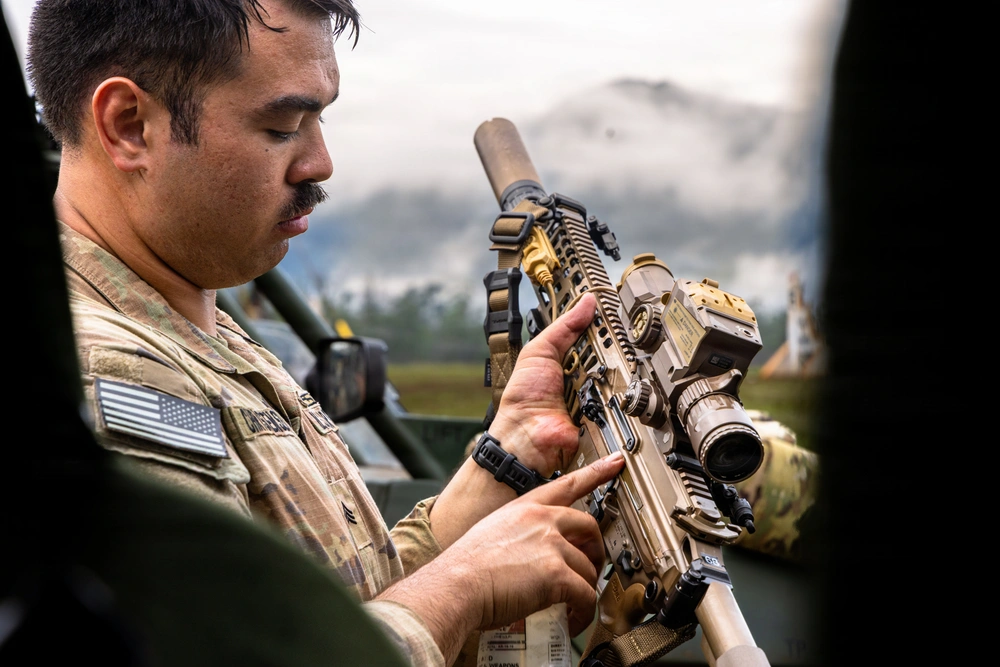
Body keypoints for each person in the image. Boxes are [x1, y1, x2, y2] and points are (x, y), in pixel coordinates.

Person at [25, 1, 624, 665]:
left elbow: (358, 594)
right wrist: (466, 585)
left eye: (320, 117)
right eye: (282, 125)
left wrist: (507, 454)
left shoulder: (205, 329)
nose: (320, 161)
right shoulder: (109, 372)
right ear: (129, 125)